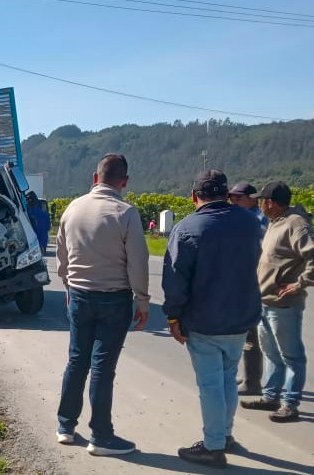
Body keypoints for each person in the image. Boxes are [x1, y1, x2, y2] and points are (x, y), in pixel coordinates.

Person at [162, 169, 262, 468]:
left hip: (204, 320)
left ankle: (213, 446)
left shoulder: (188, 228)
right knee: (228, 377)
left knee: (211, 385)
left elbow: (175, 279)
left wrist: (173, 317)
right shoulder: (250, 222)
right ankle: (225, 434)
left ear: (194, 196)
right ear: (227, 194)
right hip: (241, 317)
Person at [55, 153, 149, 456]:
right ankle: (101, 436)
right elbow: (138, 262)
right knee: (102, 368)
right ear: (124, 182)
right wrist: (142, 300)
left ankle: (65, 426)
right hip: (113, 298)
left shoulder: (73, 208)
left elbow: (62, 256)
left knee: (76, 361)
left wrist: (68, 286)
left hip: (79, 295)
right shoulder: (126, 213)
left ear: (95, 178)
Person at [241, 181, 313, 422]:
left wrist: (299, 284)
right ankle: (271, 396)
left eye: (261, 200)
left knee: (291, 356)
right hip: (265, 300)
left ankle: (290, 404)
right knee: (270, 353)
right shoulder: (276, 222)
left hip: (284, 304)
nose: (259, 204)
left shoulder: (295, 223)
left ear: (270, 203)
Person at [227, 181, 268, 396]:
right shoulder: (245, 218)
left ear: (252, 199)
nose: (234, 202)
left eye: (238, 198)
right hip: (244, 281)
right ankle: (249, 376)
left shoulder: (258, 221)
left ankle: (253, 382)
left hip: (255, 282)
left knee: (252, 333)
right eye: (231, 198)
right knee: (244, 333)